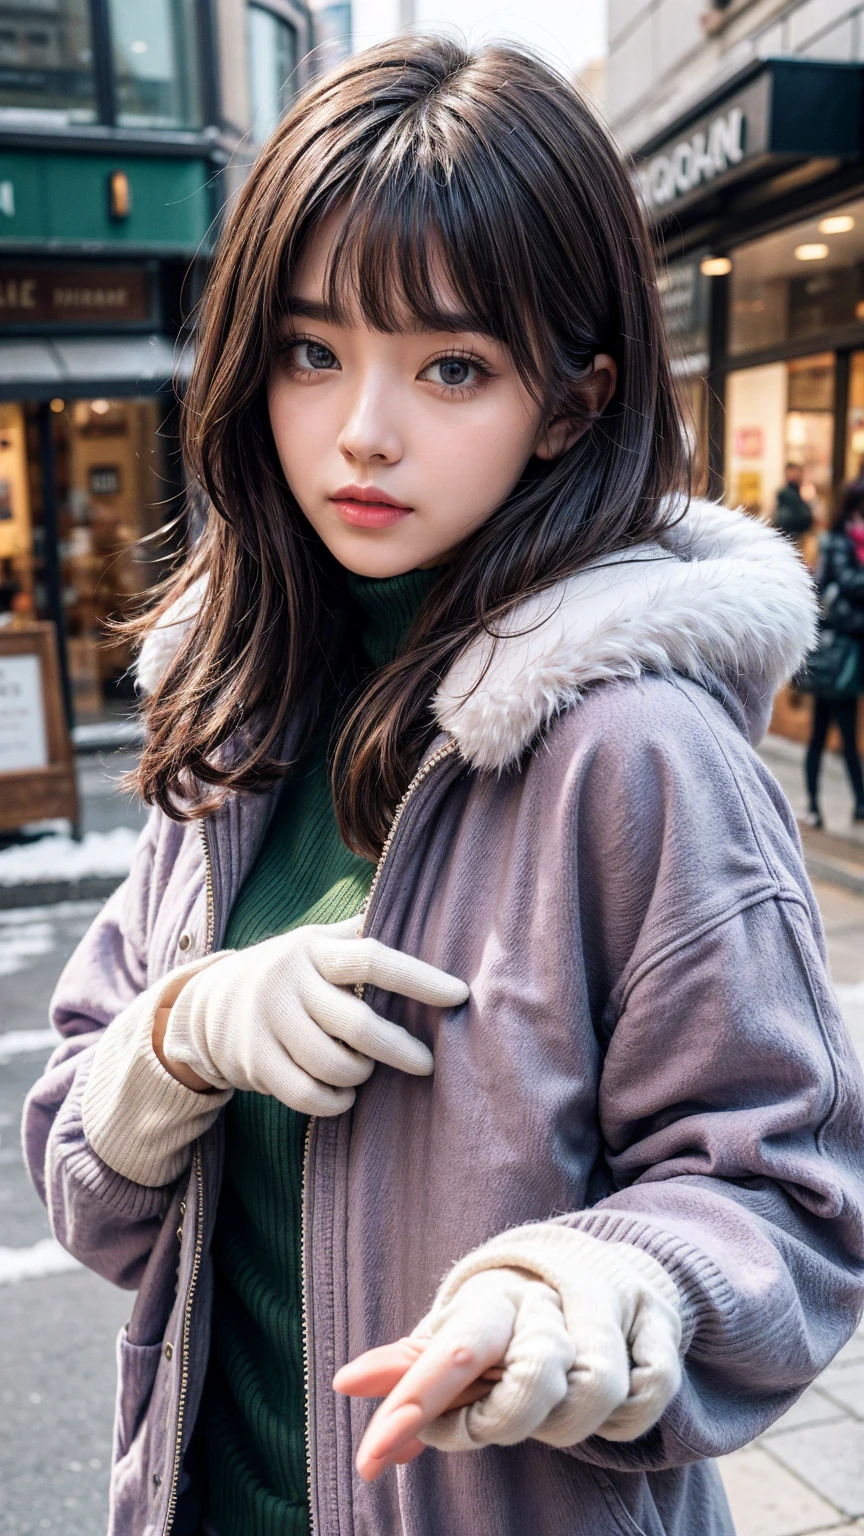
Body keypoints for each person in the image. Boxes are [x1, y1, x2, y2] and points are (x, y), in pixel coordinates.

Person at [21, 38, 864, 1536]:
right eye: (311, 351)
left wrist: (599, 1288)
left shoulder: (637, 752)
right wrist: (177, 1041)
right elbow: (86, 1188)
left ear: (570, 399)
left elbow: (791, 1207)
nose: (363, 430)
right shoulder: (236, 704)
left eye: (452, 366)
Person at [803, 479, 864, 826]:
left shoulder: (851, 546)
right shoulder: (840, 544)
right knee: (829, 730)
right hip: (836, 654)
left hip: (846, 651)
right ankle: (816, 803)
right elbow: (844, 591)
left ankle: (842, 803)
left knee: (833, 730)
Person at [773, 461, 813, 542]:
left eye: (794, 471)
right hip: (789, 533)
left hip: (802, 534)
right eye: (790, 472)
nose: (792, 475)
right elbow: (780, 516)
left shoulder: (804, 490)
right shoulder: (783, 493)